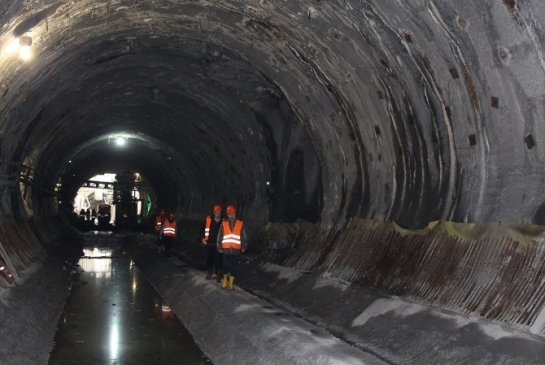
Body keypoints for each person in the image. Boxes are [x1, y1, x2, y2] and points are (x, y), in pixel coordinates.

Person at [217, 205, 247, 290]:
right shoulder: (224, 223)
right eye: (229, 214)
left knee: (234, 267)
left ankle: (231, 283)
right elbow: (220, 236)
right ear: (227, 214)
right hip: (226, 249)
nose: (231, 216)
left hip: (236, 250)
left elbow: (243, 236)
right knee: (225, 266)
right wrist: (219, 246)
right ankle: (225, 280)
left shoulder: (240, 223)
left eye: (232, 214)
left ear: (235, 213)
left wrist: (244, 246)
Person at [201, 205, 224, 282]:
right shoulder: (208, 219)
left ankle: (218, 274)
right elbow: (202, 229)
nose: (218, 214)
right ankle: (209, 272)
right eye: (216, 213)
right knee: (209, 259)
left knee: (219, 260)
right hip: (209, 243)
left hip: (219, 244)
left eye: (219, 213)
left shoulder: (224, 222)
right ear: (214, 212)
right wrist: (202, 238)